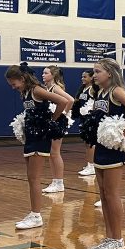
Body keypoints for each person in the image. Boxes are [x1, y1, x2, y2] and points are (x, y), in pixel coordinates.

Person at [87, 58, 125, 249]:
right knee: (103, 194)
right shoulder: (100, 93)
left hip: (114, 147)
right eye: (93, 72)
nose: (94, 75)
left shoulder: (116, 91)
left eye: (97, 72)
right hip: (101, 146)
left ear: (109, 73)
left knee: (111, 194)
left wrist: (124, 132)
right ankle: (109, 236)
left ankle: (118, 238)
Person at [5, 64, 73, 229]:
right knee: (31, 177)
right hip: (31, 137)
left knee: (34, 178)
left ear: (22, 79)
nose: (13, 88)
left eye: (14, 84)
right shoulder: (25, 92)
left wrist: (52, 120)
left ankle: (36, 216)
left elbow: (64, 101)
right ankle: (33, 213)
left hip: (40, 137)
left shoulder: (36, 90)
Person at [41, 65, 75, 194]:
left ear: (53, 75)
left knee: (55, 152)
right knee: (52, 153)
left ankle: (59, 182)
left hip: (57, 122)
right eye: (43, 73)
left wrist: (63, 114)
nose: (43, 75)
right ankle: (55, 181)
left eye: (45, 73)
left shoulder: (55, 88)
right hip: (52, 122)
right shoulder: (47, 88)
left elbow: (70, 100)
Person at [73, 71, 98, 176]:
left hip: (90, 118)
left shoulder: (93, 89)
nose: (82, 78)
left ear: (91, 77)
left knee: (90, 143)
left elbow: (97, 102)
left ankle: (91, 165)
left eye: (85, 77)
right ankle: (89, 164)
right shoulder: (83, 89)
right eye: (81, 76)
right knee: (86, 143)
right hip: (84, 118)